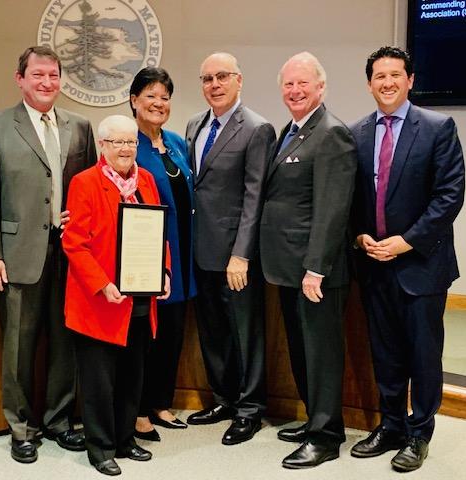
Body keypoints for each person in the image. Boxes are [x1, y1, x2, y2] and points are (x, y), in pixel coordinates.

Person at [0, 46, 96, 463]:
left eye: (54, 75)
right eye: (38, 75)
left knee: (66, 342)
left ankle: (60, 421)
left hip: (70, 252)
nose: (47, 82)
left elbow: (92, 189)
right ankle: (22, 427)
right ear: (20, 78)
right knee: (19, 347)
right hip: (16, 253)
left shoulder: (80, 126)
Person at [349, 46, 465, 472]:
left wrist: (406, 241)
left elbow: (449, 196)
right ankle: (391, 424)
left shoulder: (437, 127)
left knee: (422, 353)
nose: (387, 82)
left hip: (422, 265)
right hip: (374, 263)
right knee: (386, 353)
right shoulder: (358, 132)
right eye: (379, 76)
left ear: (410, 80)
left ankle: (420, 433)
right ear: (369, 83)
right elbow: (354, 197)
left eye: (395, 74)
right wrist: (359, 236)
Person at [259, 52, 357, 469]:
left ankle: (326, 435)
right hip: (288, 266)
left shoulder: (332, 133)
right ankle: (313, 416)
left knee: (321, 353)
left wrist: (316, 266)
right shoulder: (292, 130)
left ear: (321, 87)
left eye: (303, 84)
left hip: (314, 270)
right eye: (288, 85)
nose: (295, 91)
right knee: (301, 349)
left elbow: (333, 209)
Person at [62, 114, 171, 476]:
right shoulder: (85, 182)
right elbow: (74, 243)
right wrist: (101, 283)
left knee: (131, 375)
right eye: (118, 142)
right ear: (103, 146)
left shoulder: (148, 181)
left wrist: (165, 271)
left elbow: (160, 232)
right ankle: (101, 447)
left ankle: (126, 439)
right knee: (99, 380)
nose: (126, 149)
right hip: (99, 301)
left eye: (131, 142)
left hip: (140, 299)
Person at [185, 52, 275, 445]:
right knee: (213, 332)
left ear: (239, 80)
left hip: (235, 256)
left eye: (222, 76)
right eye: (207, 78)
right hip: (199, 251)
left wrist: (241, 254)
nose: (214, 84)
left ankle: (250, 409)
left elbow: (255, 197)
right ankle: (223, 398)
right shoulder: (194, 125)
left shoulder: (257, 128)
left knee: (244, 334)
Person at [129, 67, 196, 441]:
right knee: (145, 334)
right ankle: (138, 409)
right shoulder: (126, 143)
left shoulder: (176, 143)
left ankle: (161, 401)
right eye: (150, 96)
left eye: (165, 97)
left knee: (173, 331)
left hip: (182, 253)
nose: (158, 103)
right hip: (146, 254)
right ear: (134, 100)